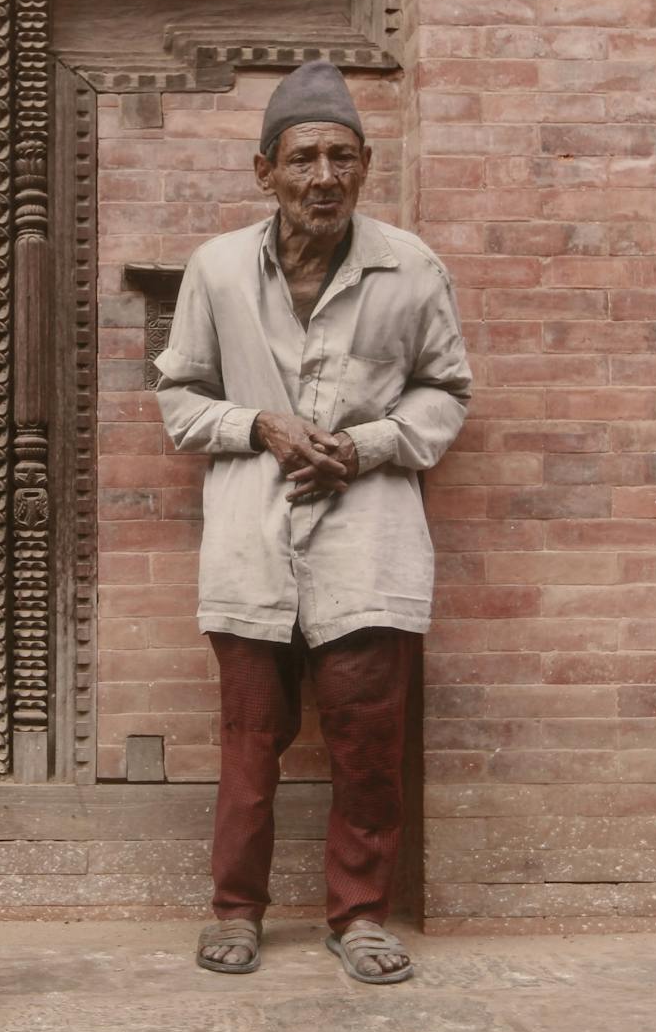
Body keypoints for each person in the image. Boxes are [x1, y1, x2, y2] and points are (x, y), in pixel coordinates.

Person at [153, 60, 472, 985]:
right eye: (302, 160)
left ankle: (362, 915)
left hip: (368, 536)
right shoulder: (216, 270)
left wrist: (368, 446)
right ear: (265, 171)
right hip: (252, 536)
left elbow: (447, 391)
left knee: (367, 744)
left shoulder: (411, 267)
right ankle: (235, 911)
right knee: (249, 740)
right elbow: (178, 396)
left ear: (365, 165)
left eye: (341, 158)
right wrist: (259, 424)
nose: (322, 178)